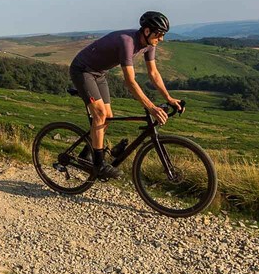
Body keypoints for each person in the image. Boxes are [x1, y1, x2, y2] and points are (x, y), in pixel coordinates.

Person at [68, 11, 183, 179]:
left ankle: (86, 155)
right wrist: (151, 107)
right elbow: (130, 82)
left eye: (163, 35)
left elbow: (154, 73)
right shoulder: (127, 42)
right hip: (82, 70)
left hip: (99, 73)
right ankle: (99, 166)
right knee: (100, 114)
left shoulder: (150, 45)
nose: (161, 39)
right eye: (159, 34)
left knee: (107, 117)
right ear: (146, 31)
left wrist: (169, 98)